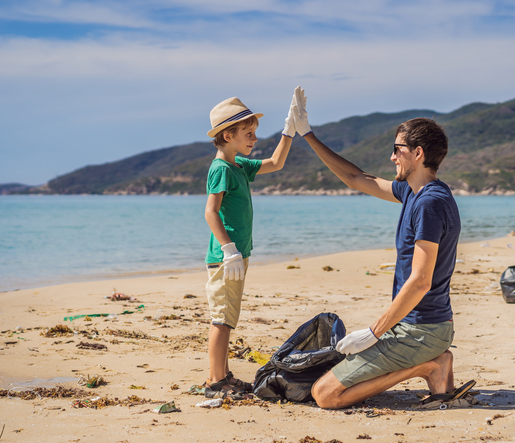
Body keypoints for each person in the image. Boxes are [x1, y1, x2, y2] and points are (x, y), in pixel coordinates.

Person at [290, 87, 474, 409]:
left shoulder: (430, 202)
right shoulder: (412, 192)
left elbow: (420, 280)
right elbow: (355, 177)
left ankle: (430, 365)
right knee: (333, 377)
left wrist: (374, 332)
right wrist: (307, 134)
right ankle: (432, 363)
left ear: (418, 153)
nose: (392, 157)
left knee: (326, 395)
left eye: (397, 149)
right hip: (420, 326)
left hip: (422, 331)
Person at [202, 94, 297, 399]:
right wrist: (228, 249)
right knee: (222, 319)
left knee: (229, 318)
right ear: (227, 136)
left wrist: (289, 130)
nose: (255, 139)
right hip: (225, 257)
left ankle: (224, 376)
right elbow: (210, 212)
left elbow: (277, 163)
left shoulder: (239, 164)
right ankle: (215, 382)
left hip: (237, 256)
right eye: (249, 134)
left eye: (255, 133)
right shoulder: (221, 169)